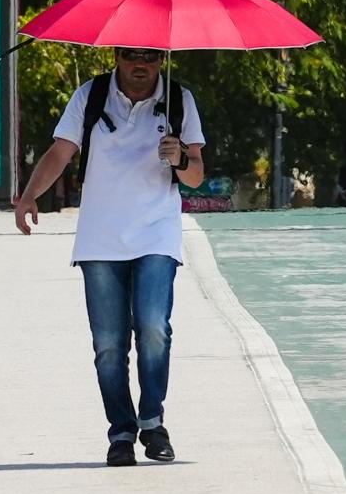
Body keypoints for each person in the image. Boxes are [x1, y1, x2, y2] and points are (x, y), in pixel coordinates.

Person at [13, 46, 205, 466]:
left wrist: (180, 158)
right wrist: (29, 196)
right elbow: (60, 153)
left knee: (153, 329)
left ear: (160, 59)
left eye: (151, 57)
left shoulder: (178, 100)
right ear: (117, 55)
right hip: (100, 239)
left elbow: (196, 175)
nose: (142, 65)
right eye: (133, 56)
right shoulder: (90, 96)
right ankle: (121, 433)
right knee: (108, 344)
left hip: (157, 234)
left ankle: (152, 423)